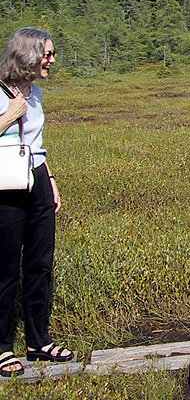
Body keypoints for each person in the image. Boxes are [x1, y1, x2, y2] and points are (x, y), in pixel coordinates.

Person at [0, 28, 73, 377]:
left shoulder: (37, 93)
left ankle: (37, 340)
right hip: (6, 185)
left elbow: (36, 142)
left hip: (37, 179)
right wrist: (11, 114)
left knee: (40, 263)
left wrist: (51, 179)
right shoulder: (2, 94)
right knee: (5, 267)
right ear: (27, 55)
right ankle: (1, 346)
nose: (52, 60)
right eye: (48, 54)